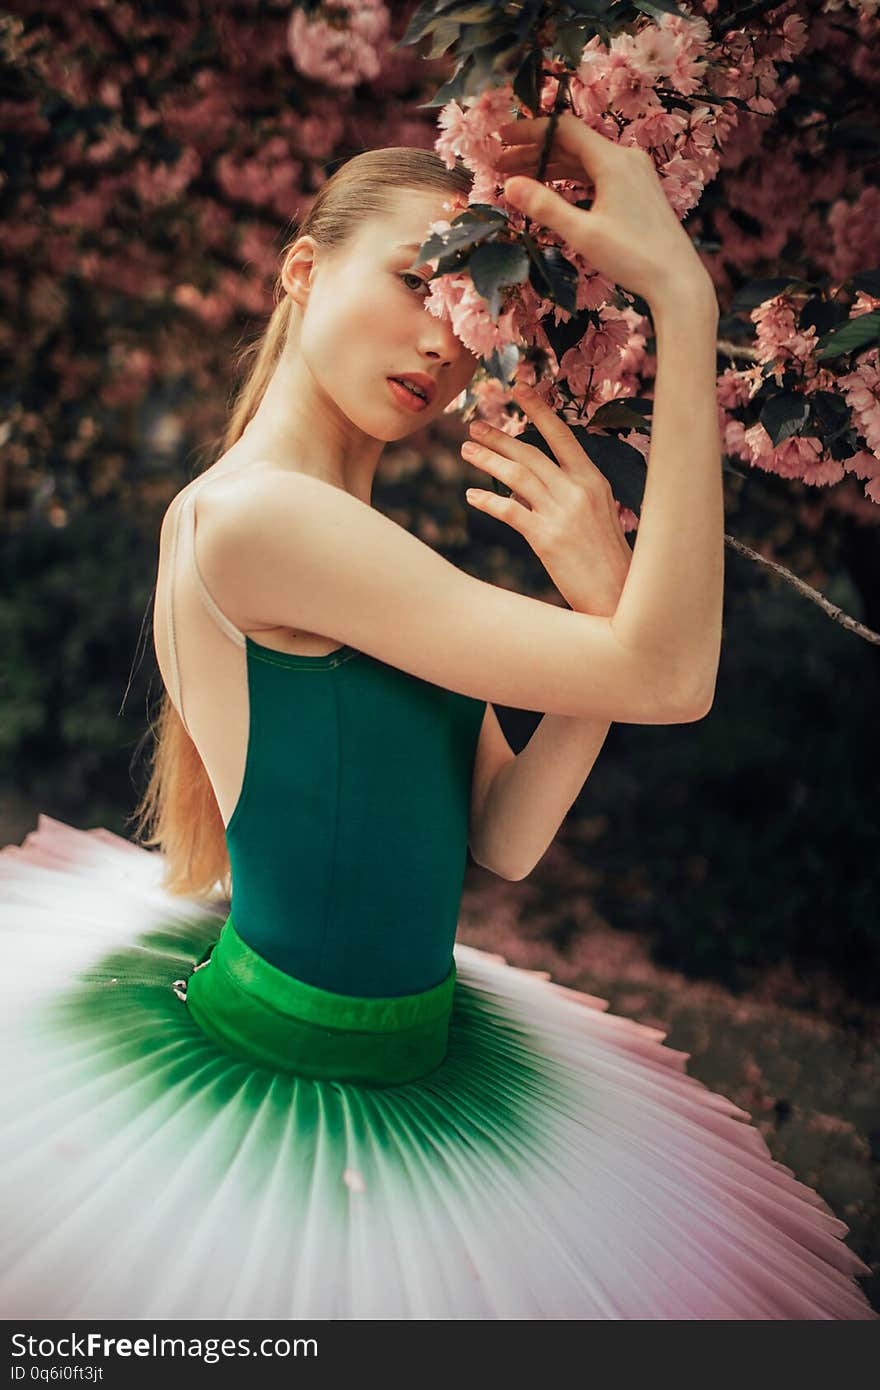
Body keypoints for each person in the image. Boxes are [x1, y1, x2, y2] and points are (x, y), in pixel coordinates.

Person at [0, 114, 875, 1321]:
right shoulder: (258, 523)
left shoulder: (365, 554)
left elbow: (503, 836)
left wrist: (605, 605)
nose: (438, 343)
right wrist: (681, 299)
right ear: (302, 269)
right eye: (414, 281)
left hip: (425, 1060)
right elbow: (672, 677)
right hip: (281, 1109)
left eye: (470, 317)